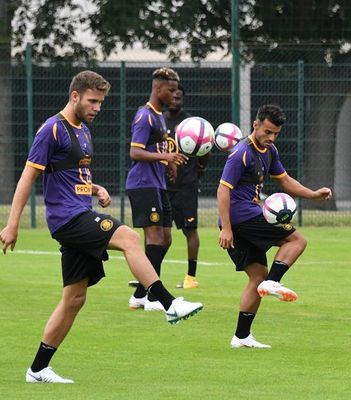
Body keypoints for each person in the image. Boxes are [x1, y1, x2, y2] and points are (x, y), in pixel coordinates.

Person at [0, 71, 202, 384]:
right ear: (75, 96)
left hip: (81, 210)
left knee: (74, 299)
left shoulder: (84, 132)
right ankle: (168, 303)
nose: (97, 107)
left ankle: (38, 369)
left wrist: (96, 189)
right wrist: (12, 225)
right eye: (93, 101)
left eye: (101, 102)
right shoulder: (52, 129)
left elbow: (71, 177)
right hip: (67, 219)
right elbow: (28, 176)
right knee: (130, 237)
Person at [217, 104, 332, 348]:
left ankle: (241, 337)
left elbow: (285, 180)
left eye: (275, 134)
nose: (271, 138)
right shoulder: (241, 153)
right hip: (241, 217)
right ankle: (274, 281)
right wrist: (226, 228)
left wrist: (312, 195)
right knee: (297, 240)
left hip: (244, 218)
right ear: (255, 124)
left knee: (257, 277)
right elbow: (222, 190)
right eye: (267, 132)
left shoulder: (270, 151)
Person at [126, 67, 188, 311]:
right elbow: (135, 151)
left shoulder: (160, 116)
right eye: (171, 90)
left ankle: (142, 293)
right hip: (143, 183)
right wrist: (166, 156)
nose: (175, 94)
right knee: (154, 237)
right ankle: (154, 299)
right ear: (158, 88)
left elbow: (156, 150)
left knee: (166, 238)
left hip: (157, 183)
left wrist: (168, 162)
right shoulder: (145, 115)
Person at [164, 83, 210, 290]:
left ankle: (191, 278)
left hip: (186, 187)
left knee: (189, 231)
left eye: (179, 97)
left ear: (183, 99)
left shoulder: (191, 123)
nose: (175, 99)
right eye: (172, 96)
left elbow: (205, 153)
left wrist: (195, 175)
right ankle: (148, 275)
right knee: (158, 232)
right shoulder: (159, 121)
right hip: (163, 186)